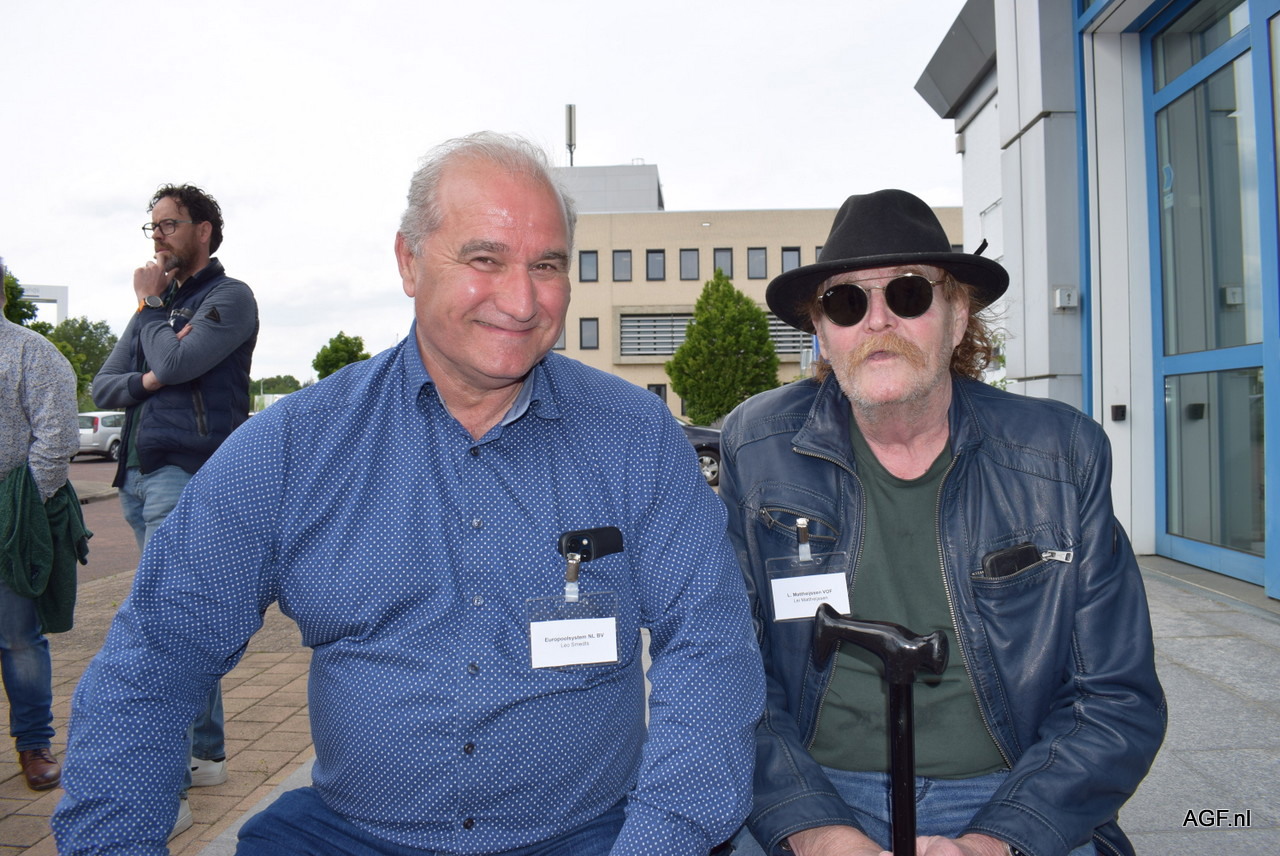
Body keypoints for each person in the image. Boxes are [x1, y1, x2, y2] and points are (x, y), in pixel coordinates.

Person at [53, 132, 764, 855]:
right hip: (351, 837)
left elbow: (710, 646)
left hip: (591, 834)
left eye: (546, 265)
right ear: (408, 261)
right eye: (484, 259)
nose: (522, 300)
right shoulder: (294, 447)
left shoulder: (634, 436)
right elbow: (156, 654)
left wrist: (659, 841)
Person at [718, 190, 1165, 856]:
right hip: (814, 785)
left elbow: (1115, 696)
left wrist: (998, 840)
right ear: (823, 332)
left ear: (957, 317)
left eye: (908, 294)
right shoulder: (758, 446)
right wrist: (815, 832)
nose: (877, 321)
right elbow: (724, 670)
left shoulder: (1060, 455)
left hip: (1011, 787)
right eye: (846, 302)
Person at [90, 182, 259, 828]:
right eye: (152, 226)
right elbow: (104, 386)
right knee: (186, 618)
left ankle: (166, 790)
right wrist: (151, 368)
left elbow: (181, 363)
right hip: (136, 476)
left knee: (165, 622)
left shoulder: (228, 298)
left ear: (204, 231)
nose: (157, 235)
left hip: (188, 474)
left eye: (168, 224)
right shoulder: (155, 308)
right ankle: (205, 754)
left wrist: (154, 313)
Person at [0, 283, 81, 791]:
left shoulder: (30, 351)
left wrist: (22, 507)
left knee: (17, 636)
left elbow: (58, 436)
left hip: (11, 512)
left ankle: (33, 744)